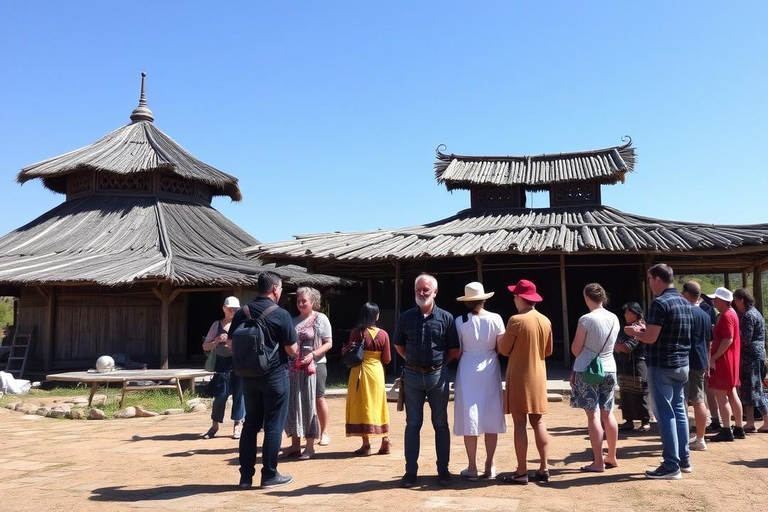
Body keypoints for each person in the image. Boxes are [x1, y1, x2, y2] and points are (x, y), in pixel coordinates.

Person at [228, 271, 298, 489]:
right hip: (275, 376)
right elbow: (292, 349)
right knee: (273, 426)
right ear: (275, 289)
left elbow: (231, 344)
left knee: (250, 425)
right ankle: (269, 474)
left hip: (248, 377)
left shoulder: (242, 312)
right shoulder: (282, 314)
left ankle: (245, 477)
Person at [625, 263, 692, 480]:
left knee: (665, 414)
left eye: (649, 279)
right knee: (680, 412)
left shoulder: (660, 303)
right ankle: (684, 459)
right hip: (682, 364)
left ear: (656, 279)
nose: (649, 284)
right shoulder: (685, 302)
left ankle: (671, 465)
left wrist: (635, 333)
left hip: (662, 365)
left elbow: (652, 338)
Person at [394, 273, 459, 488]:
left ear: (435, 292)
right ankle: (410, 472)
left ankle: (443, 471)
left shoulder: (446, 318)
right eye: (418, 290)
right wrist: (413, 364)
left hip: (438, 377)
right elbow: (399, 345)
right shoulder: (405, 318)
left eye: (426, 290)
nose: (422, 293)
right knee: (413, 425)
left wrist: (437, 365)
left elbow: (454, 349)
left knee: (440, 424)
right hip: (412, 377)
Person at [498, 279, 553, 485]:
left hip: (520, 377)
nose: (513, 298)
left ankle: (521, 471)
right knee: (538, 422)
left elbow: (504, 350)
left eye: (515, 295)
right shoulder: (545, 320)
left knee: (519, 423)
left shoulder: (516, 320)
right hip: (539, 376)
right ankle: (544, 467)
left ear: (521, 298)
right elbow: (548, 351)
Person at [452, 282, 506, 481]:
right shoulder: (496, 319)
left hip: (467, 367)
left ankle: (472, 466)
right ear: (484, 299)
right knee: (490, 414)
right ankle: (489, 464)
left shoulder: (460, 321)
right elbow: (500, 348)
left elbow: (457, 350)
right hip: (489, 366)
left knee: (470, 416)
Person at [570, 283, 620, 473]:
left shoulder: (586, 319)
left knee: (593, 416)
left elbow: (576, 349)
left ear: (587, 297)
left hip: (588, 370)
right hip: (610, 368)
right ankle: (612, 455)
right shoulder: (614, 317)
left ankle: (598, 461)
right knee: (608, 413)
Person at [282, 287, 331, 460]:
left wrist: (313, 355)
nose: (301, 304)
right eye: (298, 301)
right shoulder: (292, 321)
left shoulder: (320, 319)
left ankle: (313, 443)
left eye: (304, 301)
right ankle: (295, 444)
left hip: (315, 367)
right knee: (294, 404)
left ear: (312, 302)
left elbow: (328, 343)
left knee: (314, 400)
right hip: (295, 369)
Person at [343, 302, 392, 455]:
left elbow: (349, 351)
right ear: (376, 316)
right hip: (376, 372)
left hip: (360, 371)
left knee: (363, 405)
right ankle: (385, 439)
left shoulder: (357, 333)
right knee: (379, 404)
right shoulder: (383, 334)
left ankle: (366, 445)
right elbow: (387, 358)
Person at [201, 296, 245, 440]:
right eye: (229, 308)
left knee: (240, 395)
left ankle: (237, 425)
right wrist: (217, 341)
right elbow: (205, 346)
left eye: (235, 309)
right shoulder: (217, 325)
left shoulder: (242, 324)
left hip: (239, 363)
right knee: (220, 396)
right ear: (224, 309)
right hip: (222, 364)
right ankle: (214, 425)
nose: (232, 311)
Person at [706, 287, 745, 442]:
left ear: (723, 301)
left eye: (715, 299)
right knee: (731, 392)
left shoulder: (727, 315)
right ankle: (738, 427)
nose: (713, 301)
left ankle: (726, 429)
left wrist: (714, 357)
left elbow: (728, 339)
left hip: (724, 360)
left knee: (721, 395)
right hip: (731, 359)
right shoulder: (731, 314)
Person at [681, 282, 714, 451]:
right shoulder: (706, 315)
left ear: (685, 293)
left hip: (686, 361)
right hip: (701, 360)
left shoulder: (685, 313)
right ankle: (700, 437)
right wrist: (708, 362)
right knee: (698, 399)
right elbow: (709, 342)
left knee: (684, 401)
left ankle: (686, 438)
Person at [733, 288, 768, 432]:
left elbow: (744, 339)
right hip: (755, 355)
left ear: (741, 300)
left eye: (735, 301)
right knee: (749, 389)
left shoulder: (748, 315)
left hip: (751, 357)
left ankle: (766, 420)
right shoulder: (755, 313)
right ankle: (750, 422)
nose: (735, 304)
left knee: (754, 389)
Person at [614, 302, 651, 433]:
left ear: (635, 314)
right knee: (625, 391)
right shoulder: (626, 328)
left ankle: (645, 421)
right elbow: (617, 344)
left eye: (628, 312)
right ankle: (628, 420)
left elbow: (626, 347)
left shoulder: (640, 328)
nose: (625, 314)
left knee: (640, 392)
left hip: (638, 363)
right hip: (625, 363)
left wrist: (619, 347)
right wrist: (618, 346)